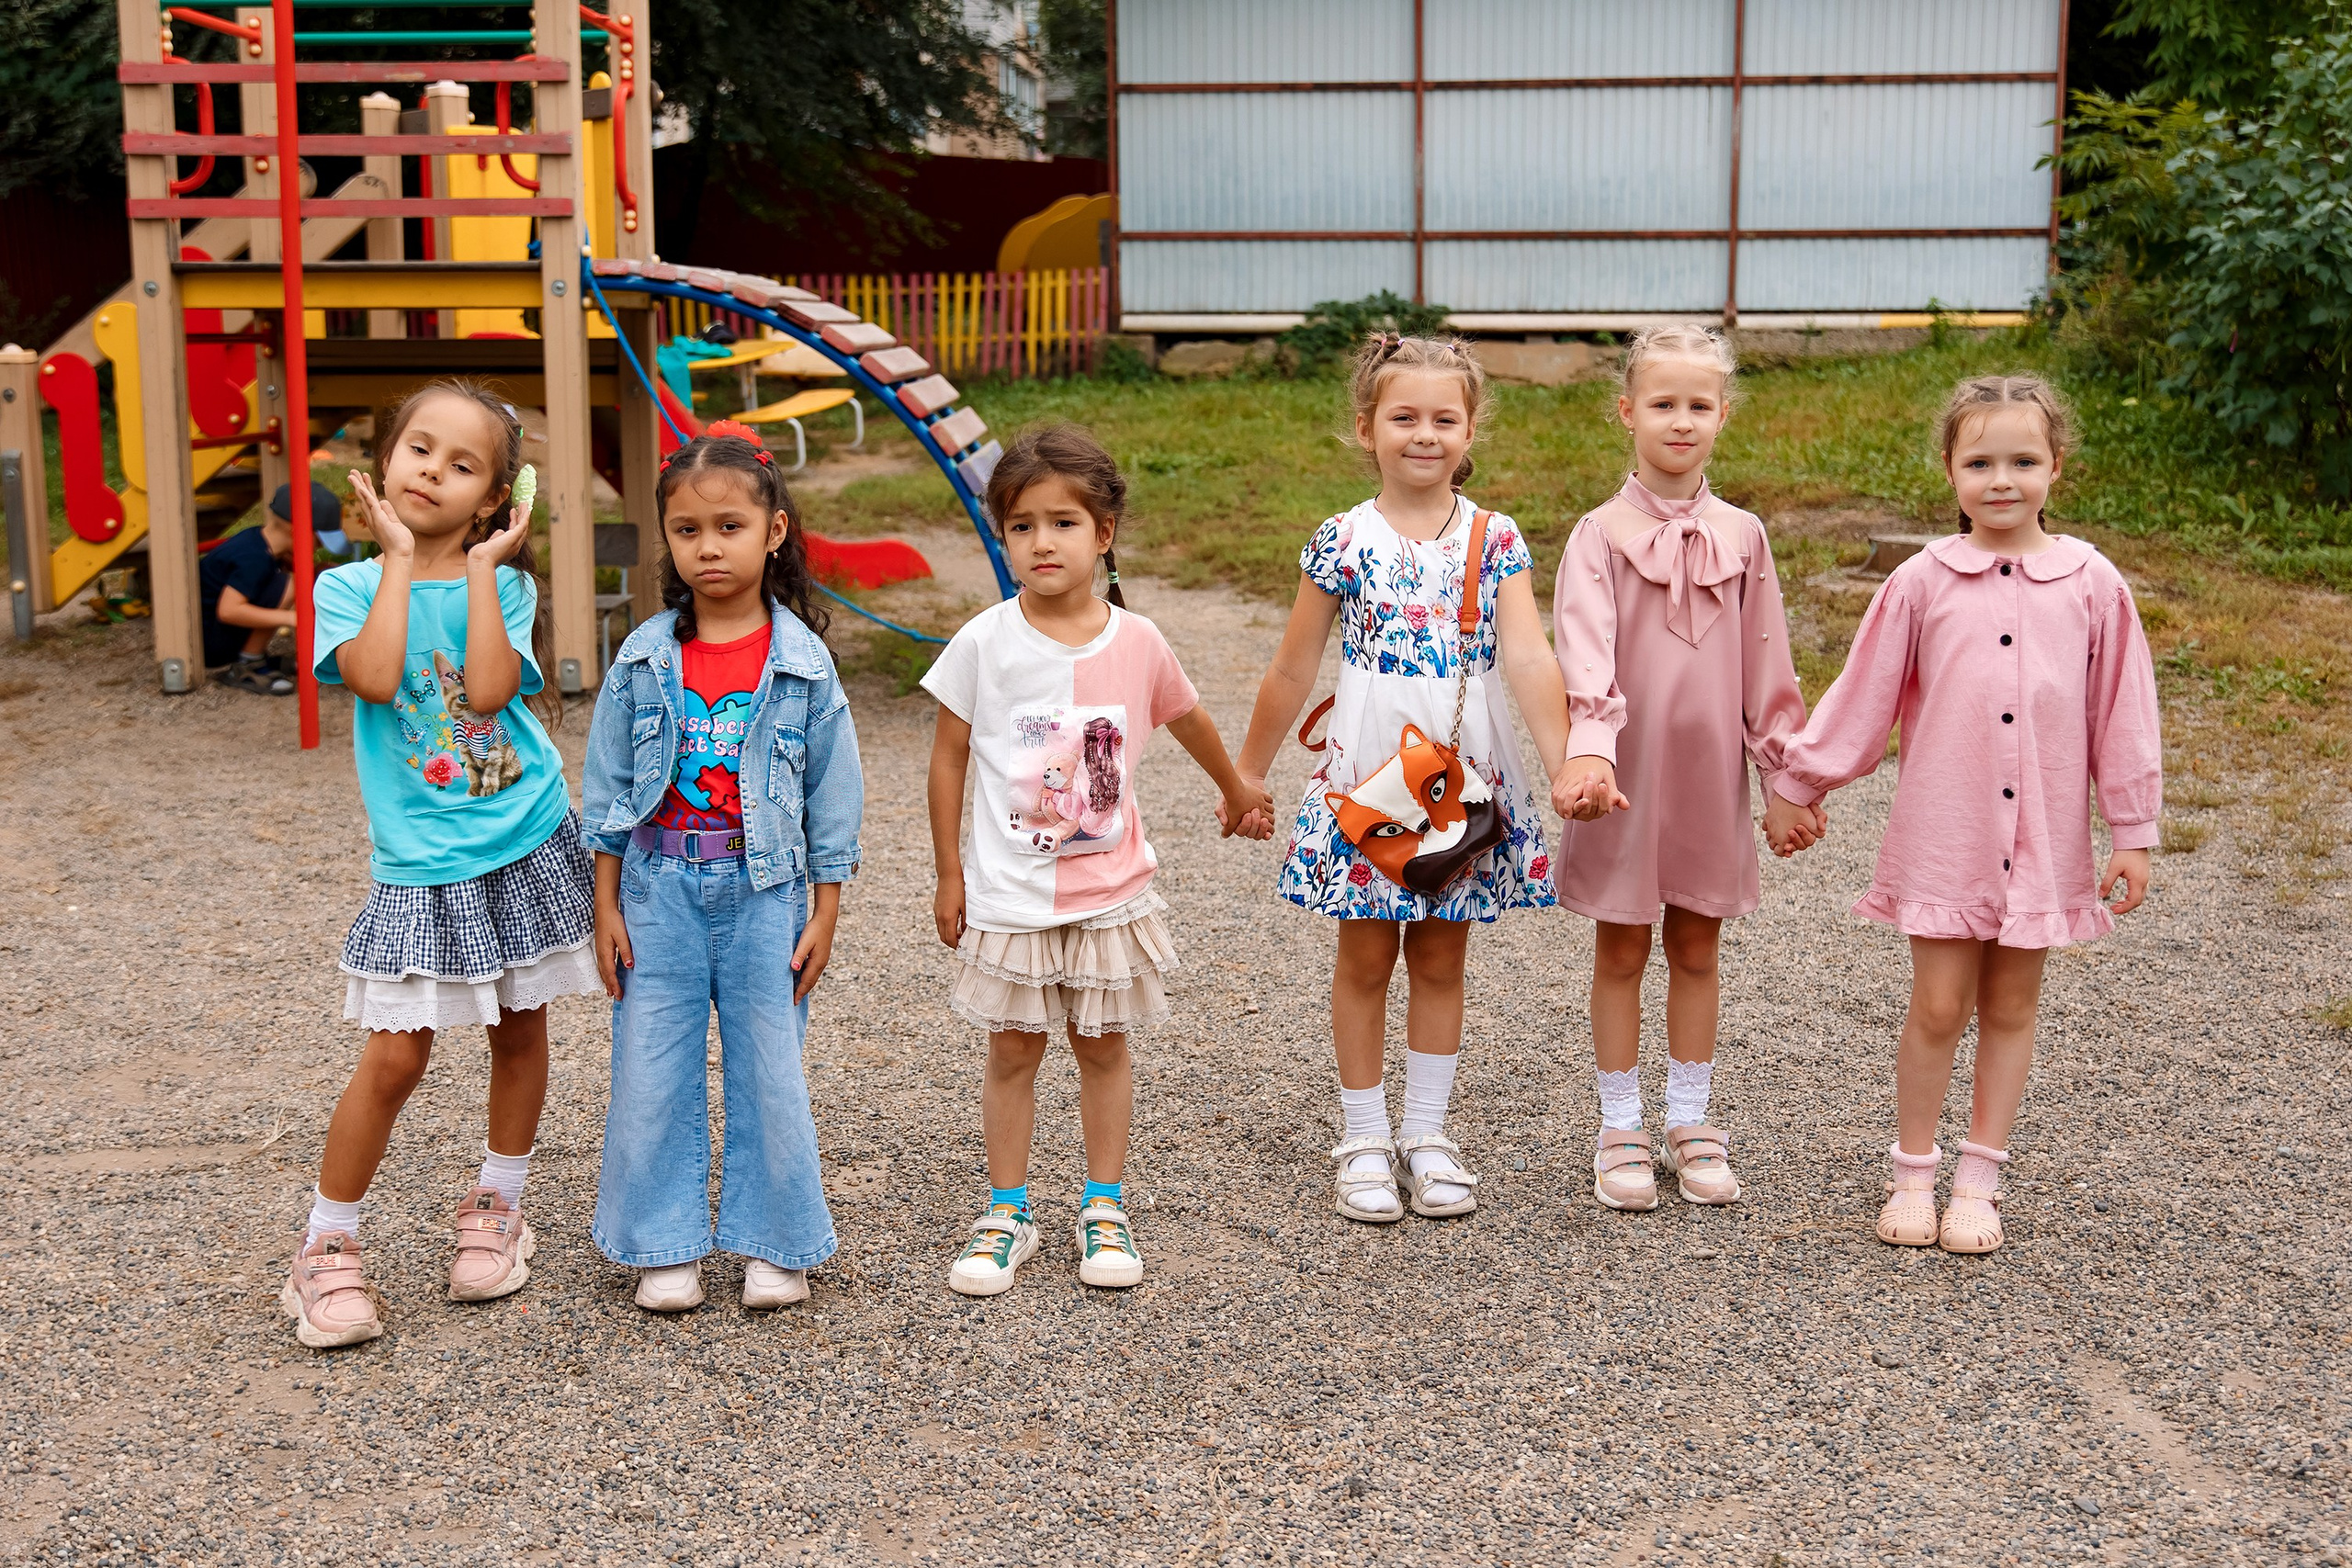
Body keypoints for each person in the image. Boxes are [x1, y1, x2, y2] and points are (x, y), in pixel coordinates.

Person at [1769, 374, 2161, 1255]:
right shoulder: (1920, 581)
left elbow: (2123, 712)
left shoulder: (2093, 584)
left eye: (2023, 460)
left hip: (2045, 841)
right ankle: (1914, 1170)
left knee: (2014, 1006)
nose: (2002, 479)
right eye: (1979, 461)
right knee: (1940, 1005)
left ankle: (1979, 1179)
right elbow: (1864, 694)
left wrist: (2132, 831)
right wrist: (1803, 778)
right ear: (1950, 470)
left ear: (2056, 466)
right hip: (1947, 837)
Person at [1229, 333, 1577, 1224]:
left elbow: (1530, 656)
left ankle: (1426, 1133)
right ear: (1366, 427)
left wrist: (1568, 753)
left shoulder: (1495, 540)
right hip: (1366, 778)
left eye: (1443, 419)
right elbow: (1291, 665)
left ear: (1469, 433)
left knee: (1441, 955)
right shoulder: (1342, 540)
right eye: (1404, 417)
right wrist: (1247, 771)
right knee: (1364, 955)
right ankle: (1362, 1137)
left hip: (1458, 781)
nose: (1424, 434)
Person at [281, 380, 600, 1348]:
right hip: (421, 861)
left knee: (519, 1027)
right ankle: (326, 1248)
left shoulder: (499, 583)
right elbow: (374, 677)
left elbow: (494, 688)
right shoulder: (342, 586)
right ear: (382, 463)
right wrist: (391, 560)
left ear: (496, 501)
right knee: (394, 1055)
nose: (434, 472)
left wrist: (472, 574)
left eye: (463, 465)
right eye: (421, 450)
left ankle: (499, 1205)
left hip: (521, 831)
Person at [923, 423, 1270, 1297]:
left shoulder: (1139, 640)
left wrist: (1235, 788)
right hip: (1010, 893)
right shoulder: (984, 642)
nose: (1043, 541)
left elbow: (1187, 714)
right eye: (1023, 525)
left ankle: (1103, 1203)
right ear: (1002, 539)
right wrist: (948, 872)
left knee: (1102, 1045)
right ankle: (1008, 1212)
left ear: (1104, 533)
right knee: (1011, 1050)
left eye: (1065, 523)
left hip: (1108, 891)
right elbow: (948, 757)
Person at [582, 422, 864, 1313]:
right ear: (667, 538)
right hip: (657, 891)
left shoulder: (806, 666)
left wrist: (826, 910)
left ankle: (775, 1242)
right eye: (688, 530)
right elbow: (607, 784)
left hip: (767, 896)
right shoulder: (643, 657)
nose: (709, 546)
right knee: (650, 1068)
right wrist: (606, 904)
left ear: (773, 530)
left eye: (730, 526)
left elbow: (833, 796)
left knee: (770, 1069)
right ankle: (665, 1243)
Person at [1550, 324, 1815, 1212]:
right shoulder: (1599, 535)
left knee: (1698, 940)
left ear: (1723, 416)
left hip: (1709, 780)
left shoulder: (1746, 536)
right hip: (1622, 777)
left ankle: (1691, 1117)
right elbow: (1582, 655)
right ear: (1627, 412)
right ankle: (1618, 1122)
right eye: (1663, 403)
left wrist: (1784, 782)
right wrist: (1588, 747)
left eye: (1699, 405)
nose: (1681, 421)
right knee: (1623, 941)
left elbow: (1768, 664)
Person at [201, 481, 340, 694]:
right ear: (297, 533)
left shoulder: (258, 542)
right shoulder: (253, 559)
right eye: (319, 542)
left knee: (301, 576)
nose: (319, 548)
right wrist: (292, 619)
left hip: (217, 634)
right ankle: (248, 664)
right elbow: (228, 611)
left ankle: (253, 657)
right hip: (210, 644)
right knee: (293, 582)